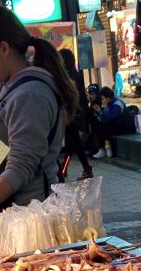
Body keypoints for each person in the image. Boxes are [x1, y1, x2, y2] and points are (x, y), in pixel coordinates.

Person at [0, 5, 79, 225]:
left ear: (4, 48)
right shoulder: (10, 87)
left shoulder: (29, 94)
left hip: (34, 220)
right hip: (18, 218)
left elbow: (20, 168)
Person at [58, 48, 93, 181]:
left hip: (70, 114)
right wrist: (87, 116)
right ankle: (65, 169)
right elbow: (83, 97)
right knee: (71, 144)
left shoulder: (64, 77)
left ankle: (84, 169)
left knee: (73, 143)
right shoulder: (77, 74)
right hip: (78, 114)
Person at [91, 86, 127, 159]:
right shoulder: (110, 103)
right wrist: (100, 111)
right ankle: (103, 148)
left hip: (122, 126)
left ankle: (106, 149)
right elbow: (104, 117)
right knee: (100, 124)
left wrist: (105, 108)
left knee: (104, 125)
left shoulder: (117, 104)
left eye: (102, 98)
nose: (102, 100)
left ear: (107, 97)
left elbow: (109, 118)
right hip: (114, 125)